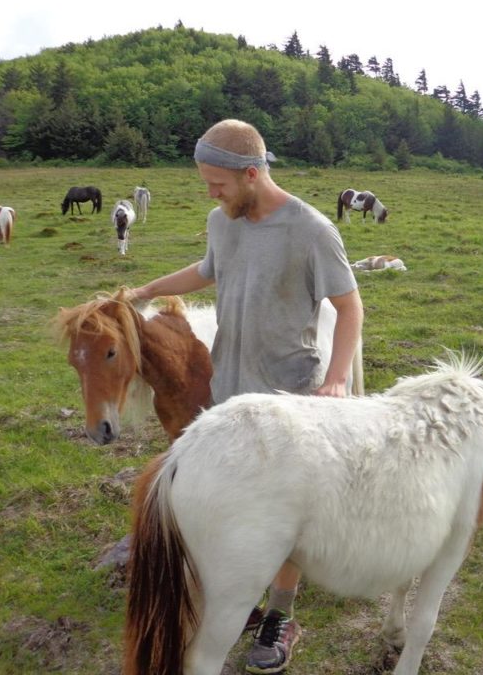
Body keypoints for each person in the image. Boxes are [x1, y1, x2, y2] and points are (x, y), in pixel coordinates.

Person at [129, 118, 364, 674]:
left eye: (218, 183)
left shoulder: (311, 230)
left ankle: (281, 616)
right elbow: (210, 270)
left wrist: (335, 379)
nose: (210, 193)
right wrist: (148, 289)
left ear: (252, 174)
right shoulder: (222, 220)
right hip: (229, 391)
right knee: (239, 503)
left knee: (284, 519)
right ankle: (245, 592)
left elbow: (350, 307)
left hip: (292, 396)